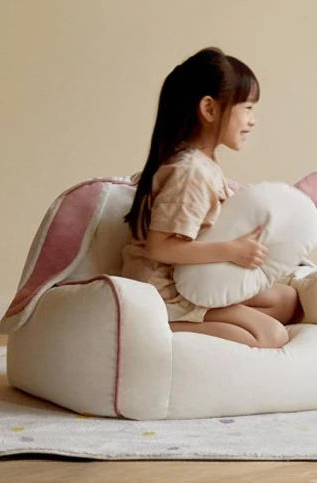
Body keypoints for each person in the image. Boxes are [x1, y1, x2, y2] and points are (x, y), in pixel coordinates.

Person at [122, 47, 299, 349]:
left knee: (286, 300)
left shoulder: (205, 165)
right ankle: (166, 327)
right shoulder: (190, 172)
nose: (252, 120)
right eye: (247, 107)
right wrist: (231, 250)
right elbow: (160, 246)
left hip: (195, 279)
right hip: (168, 292)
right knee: (270, 335)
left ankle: (206, 317)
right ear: (210, 109)